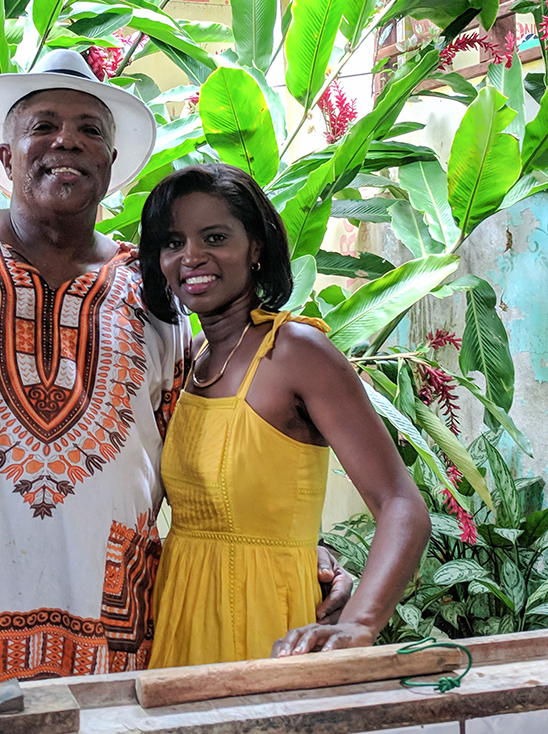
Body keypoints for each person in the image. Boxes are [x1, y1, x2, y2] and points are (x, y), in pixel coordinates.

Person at [0, 50, 352, 691]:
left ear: (109, 166)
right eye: (42, 125)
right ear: (6, 157)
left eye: (89, 130)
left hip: (121, 636)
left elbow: (199, 464)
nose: (65, 140)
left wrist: (304, 554)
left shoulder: (153, 293)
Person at [137, 163, 432, 668]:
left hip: (267, 622)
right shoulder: (192, 357)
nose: (191, 257)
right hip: (181, 613)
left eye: (214, 237)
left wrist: (359, 624)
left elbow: (401, 506)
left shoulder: (297, 351)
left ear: (255, 248)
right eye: (173, 242)